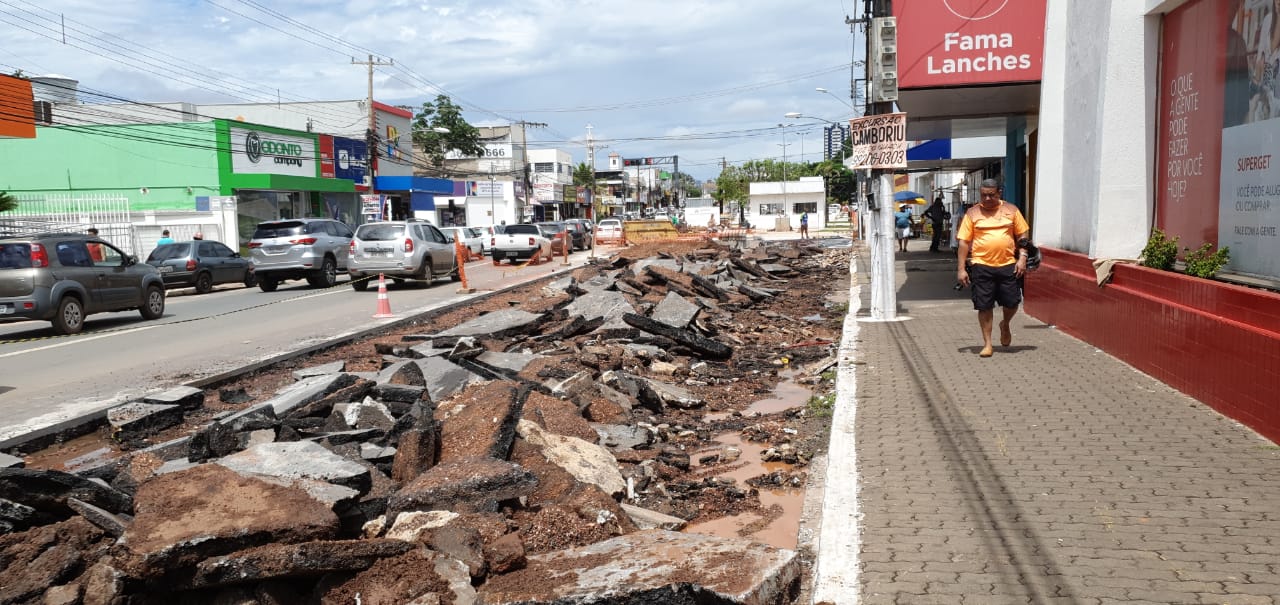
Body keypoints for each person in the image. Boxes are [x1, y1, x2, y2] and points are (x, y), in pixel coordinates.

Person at [955, 179, 1031, 358]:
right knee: (984, 306)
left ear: (999, 193)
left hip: (1008, 264)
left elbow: (1022, 235)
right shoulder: (972, 213)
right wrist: (961, 268)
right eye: (984, 195)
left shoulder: (1011, 210)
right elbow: (964, 242)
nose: (987, 199)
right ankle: (988, 344)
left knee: (1012, 303)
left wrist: (1022, 258)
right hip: (981, 265)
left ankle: (1005, 324)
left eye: (991, 195)